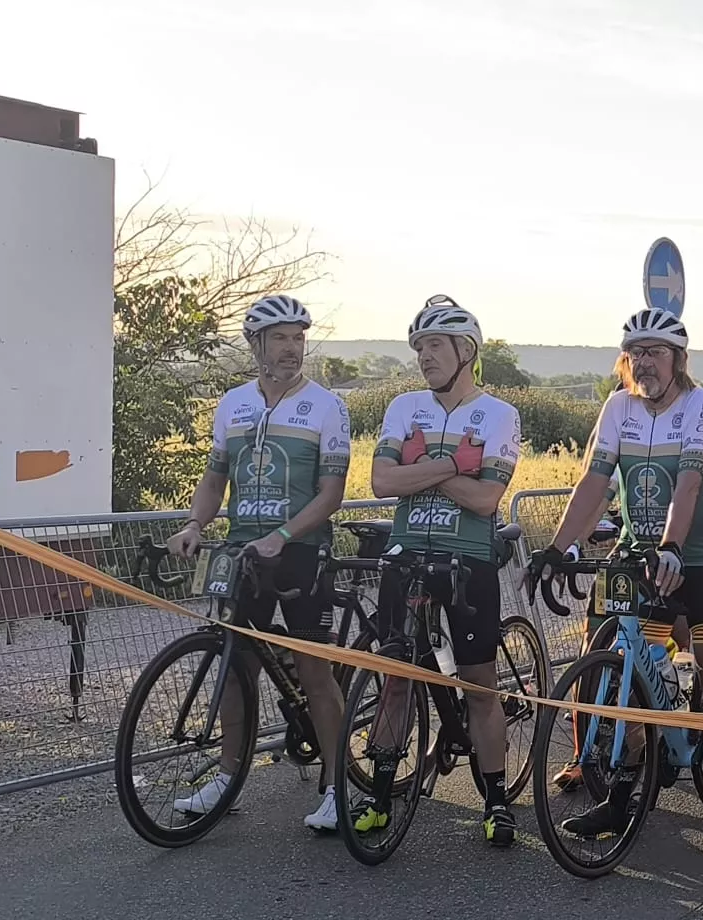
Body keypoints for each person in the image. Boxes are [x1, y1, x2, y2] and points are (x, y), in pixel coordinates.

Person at [540, 307, 703, 854]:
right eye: (636, 352)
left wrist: (674, 548)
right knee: (630, 669)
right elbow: (594, 480)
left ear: (679, 359)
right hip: (638, 554)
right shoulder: (619, 406)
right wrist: (558, 547)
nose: (644, 362)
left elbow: (687, 484)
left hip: (701, 558)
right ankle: (623, 791)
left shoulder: (701, 406)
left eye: (656, 352)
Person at [167, 295, 350, 832]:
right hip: (243, 551)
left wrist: (285, 534)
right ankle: (226, 776)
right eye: (281, 338)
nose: (293, 348)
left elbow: (332, 492)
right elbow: (215, 477)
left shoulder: (326, 405)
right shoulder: (233, 403)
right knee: (233, 667)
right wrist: (195, 525)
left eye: (299, 337)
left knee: (314, 670)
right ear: (257, 346)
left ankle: (339, 787)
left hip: (301, 551)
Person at [358, 295, 523, 846]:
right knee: (395, 683)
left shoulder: (500, 415)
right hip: (406, 558)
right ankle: (380, 796)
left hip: (468, 561)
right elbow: (381, 483)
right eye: (419, 347)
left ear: (465, 351)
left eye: (434, 346)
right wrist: (453, 464)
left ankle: (496, 802)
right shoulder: (404, 407)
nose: (424, 356)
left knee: (479, 687)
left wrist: (420, 470)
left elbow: (485, 499)